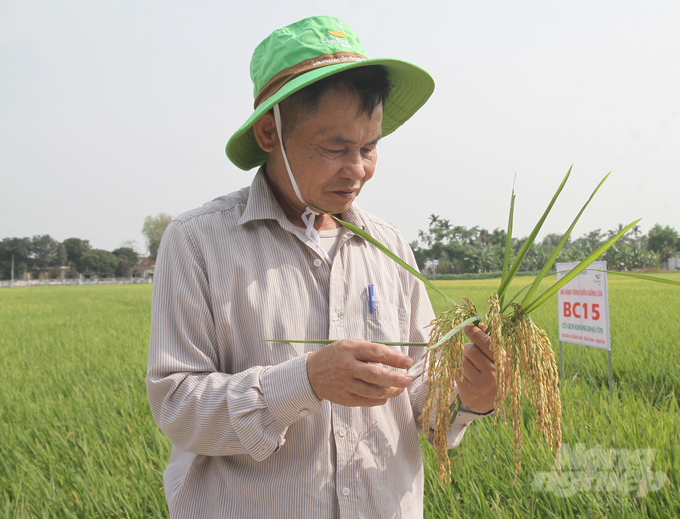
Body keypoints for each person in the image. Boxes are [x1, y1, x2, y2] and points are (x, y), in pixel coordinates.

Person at [147, 15, 499, 518]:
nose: (357, 169)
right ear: (271, 131)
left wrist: (472, 395)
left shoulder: (389, 246)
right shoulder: (197, 242)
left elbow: (422, 401)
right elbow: (177, 406)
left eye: (369, 147)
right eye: (336, 147)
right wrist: (305, 382)